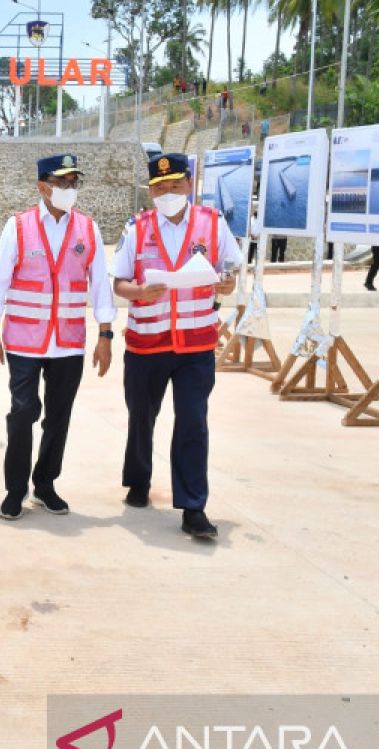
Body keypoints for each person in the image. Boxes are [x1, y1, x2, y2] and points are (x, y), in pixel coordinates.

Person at [111, 153, 240, 540]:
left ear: (189, 185)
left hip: (195, 345)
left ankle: (193, 506)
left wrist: (228, 283)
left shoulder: (213, 224)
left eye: (175, 185)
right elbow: (119, 283)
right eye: (160, 187)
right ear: (150, 190)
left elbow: (231, 268)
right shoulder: (137, 228)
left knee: (192, 422)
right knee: (141, 417)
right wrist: (139, 291)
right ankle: (138, 480)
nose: (168, 193)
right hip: (147, 344)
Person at [0, 154, 115, 520]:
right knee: (23, 412)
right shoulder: (19, 227)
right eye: (62, 183)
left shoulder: (88, 229)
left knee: (59, 416)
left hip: (69, 342)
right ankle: (15, 489)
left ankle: (45, 484)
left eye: (73, 183)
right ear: (43, 186)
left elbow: (101, 286)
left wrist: (105, 335)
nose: (69, 190)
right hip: (25, 340)